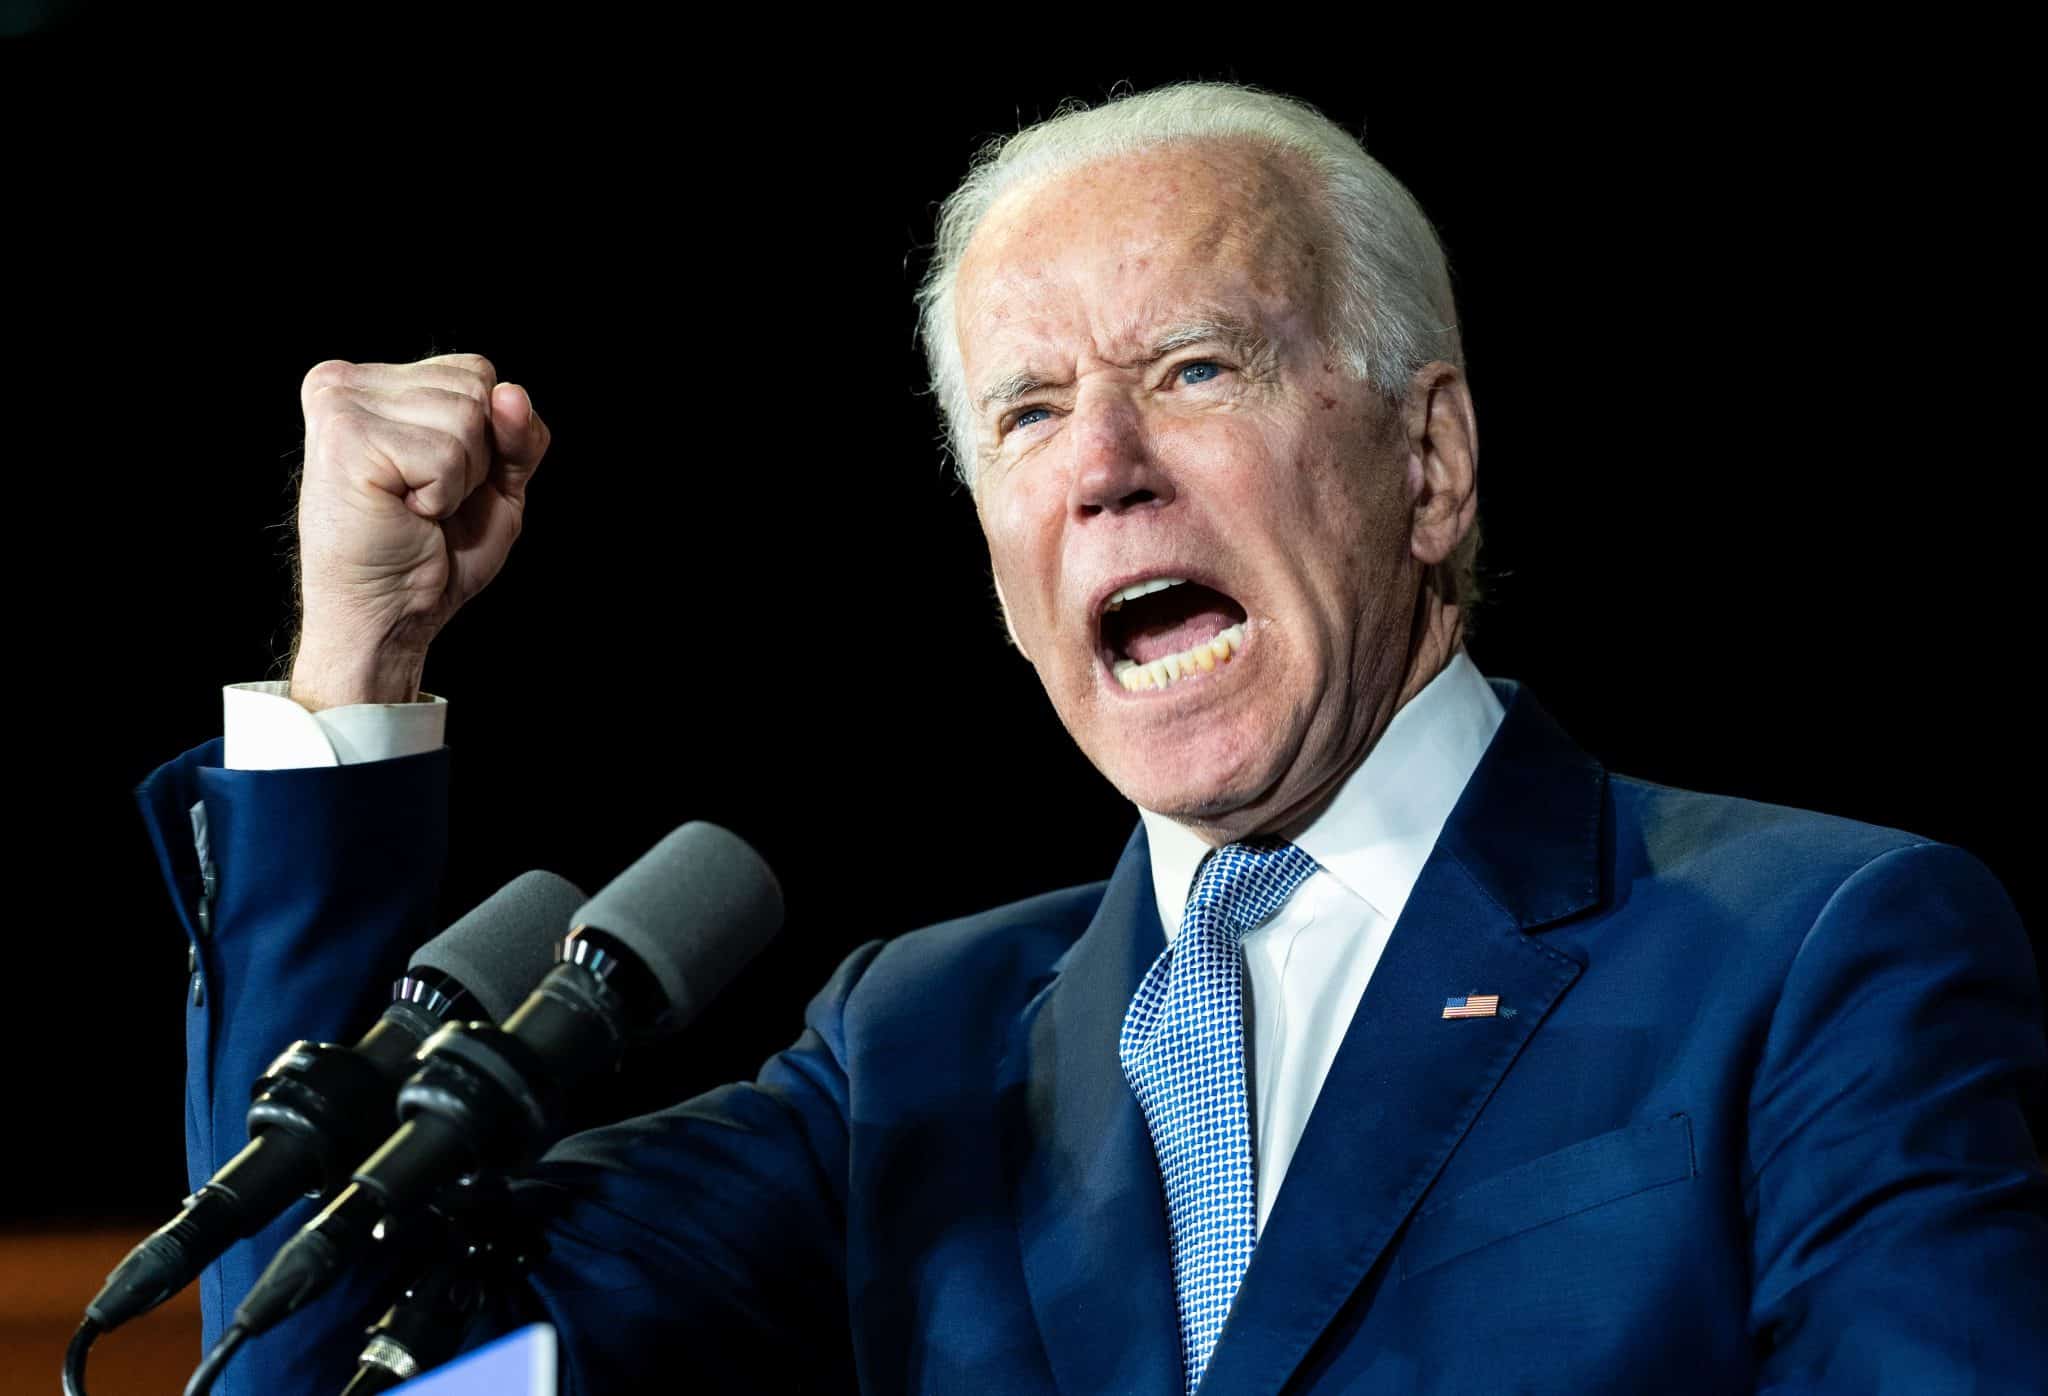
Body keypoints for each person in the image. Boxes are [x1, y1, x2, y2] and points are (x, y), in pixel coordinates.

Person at [140, 82, 2046, 1394]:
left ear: (1430, 462)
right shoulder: (917, 1057)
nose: (1108, 469)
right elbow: (311, 1362)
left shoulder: (1816, 951)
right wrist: (355, 666)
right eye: (1030, 413)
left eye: (1197, 369)